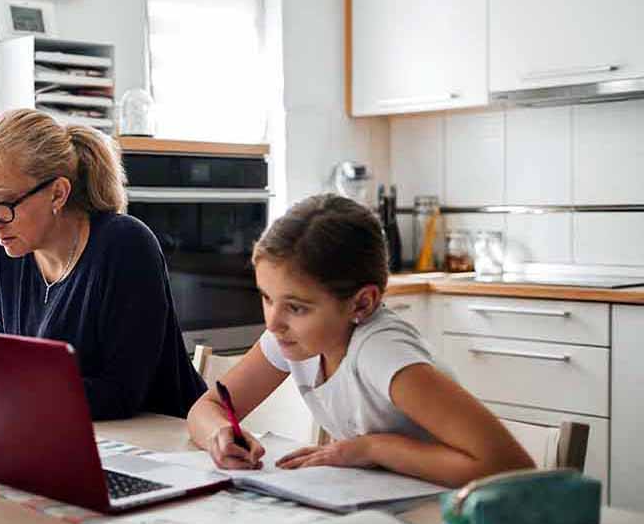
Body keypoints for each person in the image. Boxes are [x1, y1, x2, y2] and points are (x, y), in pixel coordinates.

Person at [186, 193, 534, 487]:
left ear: (362, 303)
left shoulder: (382, 354)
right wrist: (220, 434)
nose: (273, 322)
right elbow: (207, 408)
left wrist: (371, 449)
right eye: (266, 298)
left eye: (296, 307)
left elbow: (510, 467)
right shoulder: (293, 337)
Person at [0, 108, 205, 421]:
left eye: (2, 204)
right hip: (67, 432)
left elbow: (122, 395)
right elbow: (19, 368)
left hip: (164, 442)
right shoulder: (4, 249)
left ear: (58, 193)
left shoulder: (126, 245)